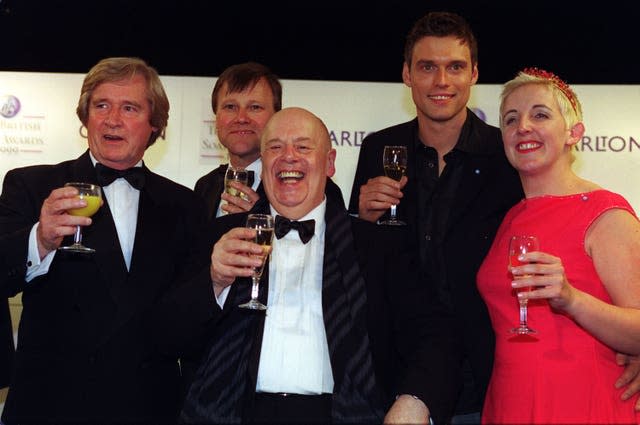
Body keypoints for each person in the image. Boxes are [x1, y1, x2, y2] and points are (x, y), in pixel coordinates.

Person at [152, 107, 458, 424]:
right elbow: (167, 336)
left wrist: (415, 402)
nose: (288, 157)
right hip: (234, 414)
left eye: (302, 146)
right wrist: (214, 281)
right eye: (275, 147)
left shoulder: (376, 246)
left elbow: (436, 333)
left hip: (344, 416)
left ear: (329, 163)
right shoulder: (221, 236)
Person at [0, 57, 210, 424]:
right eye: (101, 106)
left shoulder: (185, 205)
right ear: (85, 118)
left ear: (155, 125)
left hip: (148, 406)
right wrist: (41, 239)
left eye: (129, 108)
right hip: (51, 406)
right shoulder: (31, 185)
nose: (113, 119)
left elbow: (189, 316)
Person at [348, 11, 524, 423]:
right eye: (427, 67)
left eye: (455, 67)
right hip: (394, 370)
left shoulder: (505, 155)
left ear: (474, 74)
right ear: (407, 74)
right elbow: (360, 260)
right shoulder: (380, 148)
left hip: (487, 374)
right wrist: (362, 219)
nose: (441, 81)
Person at [476, 67, 640, 424]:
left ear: (573, 133)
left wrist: (572, 299)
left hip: (582, 403)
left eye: (540, 115)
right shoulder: (511, 217)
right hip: (510, 401)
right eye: (510, 119)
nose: (523, 128)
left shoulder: (605, 212)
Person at [193, 61, 344, 218]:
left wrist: (264, 217)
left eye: (255, 107)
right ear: (215, 117)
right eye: (230, 107)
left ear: (276, 116)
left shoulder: (318, 187)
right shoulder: (205, 186)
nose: (241, 118)